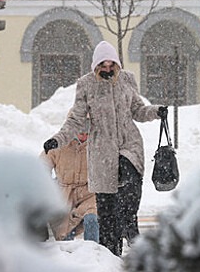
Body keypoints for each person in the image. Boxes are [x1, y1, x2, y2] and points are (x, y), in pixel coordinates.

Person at [43, 41, 168, 256]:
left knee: (128, 183)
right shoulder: (86, 85)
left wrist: (156, 111)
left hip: (129, 144)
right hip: (101, 150)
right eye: (104, 65)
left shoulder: (127, 80)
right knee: (107, 210)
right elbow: (76, 119)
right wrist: (58, 140)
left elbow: (137, 110)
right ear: (96, 65)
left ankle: (129, 221)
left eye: (112, 65)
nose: (108, 69)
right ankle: (112, 255)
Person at [41, 123, 99, 243]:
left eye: (88, 134)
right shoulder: (58, 143)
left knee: (92, 219)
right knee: (64, 233)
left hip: (89, 192)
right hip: (64, 194)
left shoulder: (97, 143)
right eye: (81, 133)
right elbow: (42, 167)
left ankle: (93, 252)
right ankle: (66, 256)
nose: (84, 137)